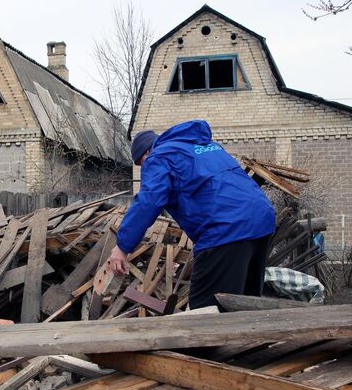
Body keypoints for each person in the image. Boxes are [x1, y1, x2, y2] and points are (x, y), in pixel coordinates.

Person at [107, 119, 276, 310]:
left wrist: (122, 247)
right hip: (262, 221)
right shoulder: (208, 147)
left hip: (226, 229)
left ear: (147, 152)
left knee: (207, 312)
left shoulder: (159, 156)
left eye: (141, 163)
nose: (144, 167)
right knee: (244, 304)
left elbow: (149, 200)